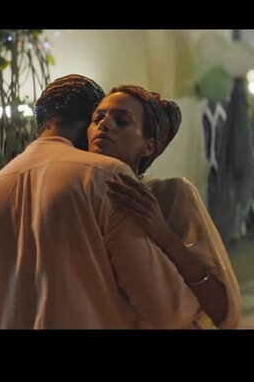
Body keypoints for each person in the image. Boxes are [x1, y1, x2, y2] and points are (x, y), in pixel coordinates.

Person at [0, 74, 203, 328]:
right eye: (99, 118)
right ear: (89, 121)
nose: (104, 127)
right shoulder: (106, 177)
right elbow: (164, 309)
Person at [87, 87, 241, 328]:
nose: (104, 125)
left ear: (148, 146)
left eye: (122, 121)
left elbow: (222, 310)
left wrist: (163, 235)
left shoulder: (170, 194)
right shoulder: (76, 194)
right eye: (98, 118)